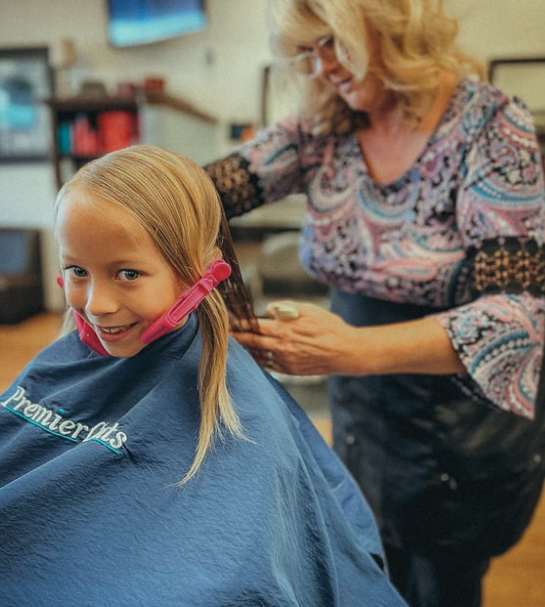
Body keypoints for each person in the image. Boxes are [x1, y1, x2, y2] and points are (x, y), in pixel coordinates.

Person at [203, 1, 545, 606]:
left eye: (334, 42)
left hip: (458, 425)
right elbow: (197, 194)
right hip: (363, 413)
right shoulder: (320, 129)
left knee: (442, 583)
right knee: (369, 564)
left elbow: (515, 316)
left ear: (393, 22)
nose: (323, 65)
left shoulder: (491, 127)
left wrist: (352, 349)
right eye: (307, 50)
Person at [0, 145, 408, 606]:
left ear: (199, 269)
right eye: (77, 270)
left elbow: (238, 579)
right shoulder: (62, 361)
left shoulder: (241, 407)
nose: (96, 304)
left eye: (127, 274)